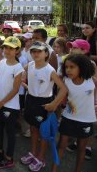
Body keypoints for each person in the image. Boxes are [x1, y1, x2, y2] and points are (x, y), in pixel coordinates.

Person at [20, 41, 67, 172]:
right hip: (30, 100)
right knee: (33, 128)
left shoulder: (49, 70)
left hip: (44, 102)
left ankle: (41, 158)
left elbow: (63, 89)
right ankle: (33, 153)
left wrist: (54, 104)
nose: (36, 54)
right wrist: (26, 85)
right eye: (33, 51)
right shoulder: (29, 65)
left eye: (39, 51)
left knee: (44, 132)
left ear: (46, 53)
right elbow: (20, 75)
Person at [52, 54, 96, 172]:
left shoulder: (92, 81)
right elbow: (60, 97)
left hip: (86, 120)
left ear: (82, 67)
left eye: (72, 67)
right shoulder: (66, 81)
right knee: (61, 145)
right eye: (66, 67)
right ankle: (54, 170)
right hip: (68, 118)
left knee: (81, 149)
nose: (68, 70)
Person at [0, 37, 24, 169]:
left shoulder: (18, 68)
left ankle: (9, 158)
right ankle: (0, 151)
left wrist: (2, 102)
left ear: (17, 51)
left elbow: (15, 90)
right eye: (6, 47)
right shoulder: (1, 63)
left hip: (10, 106)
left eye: (11, 48)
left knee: (10, 133)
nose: (7, 50)